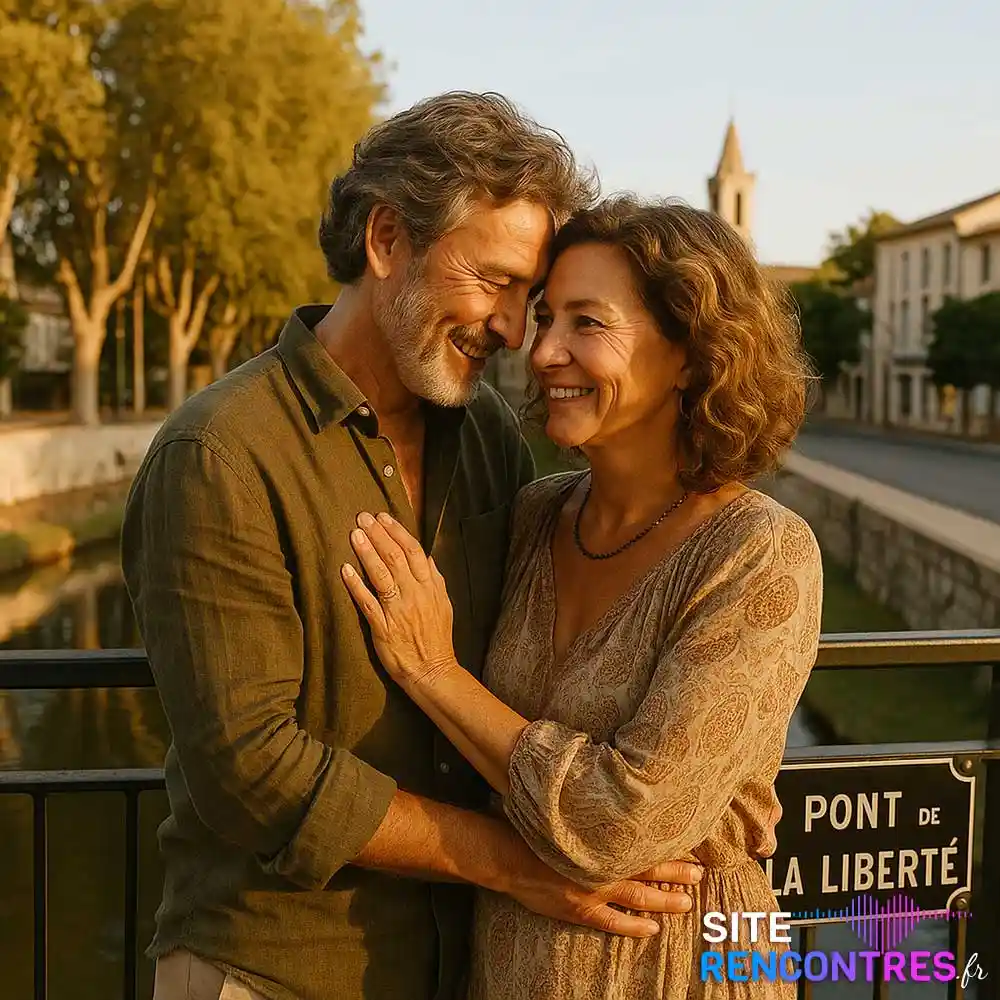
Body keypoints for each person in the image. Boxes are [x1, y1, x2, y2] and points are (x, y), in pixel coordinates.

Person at [121, 94, 702, 1000]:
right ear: (387, 240)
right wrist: (518, 865)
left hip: (461, 969)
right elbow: (249, 770)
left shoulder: (490, 444)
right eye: (495, 282)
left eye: (532, 298)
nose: (514, 329)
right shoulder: (221, 452)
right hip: (270, 971)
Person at [341, 195, 825, 999]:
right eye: (545, 317)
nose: (543, 351)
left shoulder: (761, 554)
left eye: (587, 324)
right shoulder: (534, 516)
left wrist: (434, 671)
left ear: (689, 352)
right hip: (510, 965)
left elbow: (618, 823)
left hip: (680, 970)